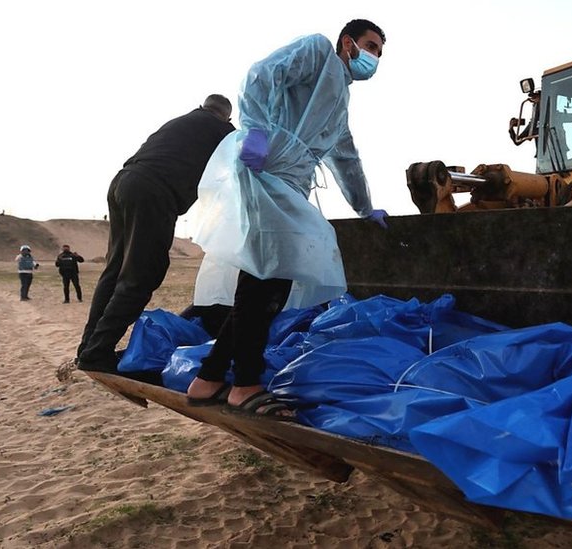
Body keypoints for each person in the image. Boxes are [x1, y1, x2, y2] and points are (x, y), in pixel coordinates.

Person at [185, 19, 389, 418]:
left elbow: (345, 158)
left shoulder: (339, 104)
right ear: (348, 43)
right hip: (266, 172)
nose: (374, 57)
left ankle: (208, 379)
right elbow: (262, 76)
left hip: (289, 187)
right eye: (370, 46)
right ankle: (244, 384)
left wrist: (364, 206)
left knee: (268, 285)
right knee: (265, 284)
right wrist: (256, 131)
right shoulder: (316, 52)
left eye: (379, 53)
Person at [75, 94, 236, 377]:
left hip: (123, 182)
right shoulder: (222, 130)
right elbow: (246, 162)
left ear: (202, 106)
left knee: (115, 271)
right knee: (141, 276)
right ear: (226, 117)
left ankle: (88, 348)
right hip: (154, 192)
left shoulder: (180, 121)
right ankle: (97, 352)